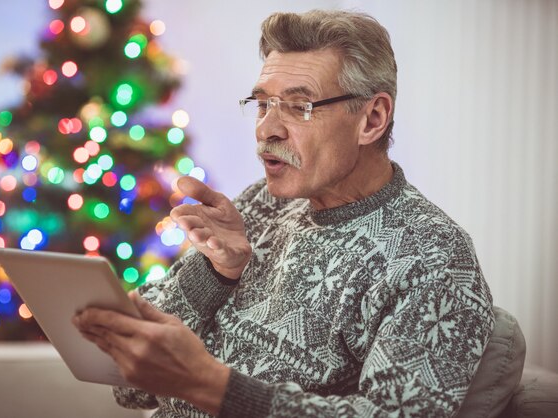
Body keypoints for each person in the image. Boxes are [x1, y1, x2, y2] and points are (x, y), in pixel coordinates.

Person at [73, 9, 494, 417]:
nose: (265, 130)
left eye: (299, 106)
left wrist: (210, 385)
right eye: (262, 105)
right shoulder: (262, 204)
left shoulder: (433, 258)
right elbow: (127, 388)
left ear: (373, 118)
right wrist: (214, 273)